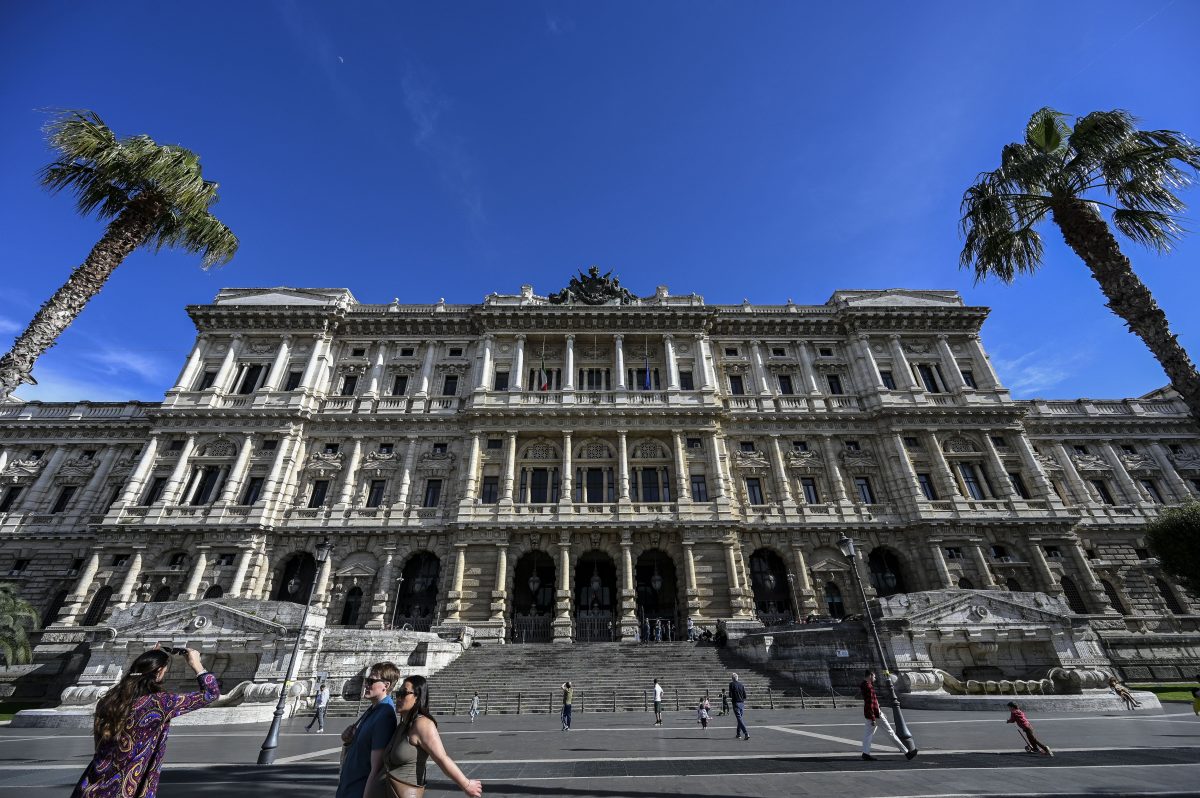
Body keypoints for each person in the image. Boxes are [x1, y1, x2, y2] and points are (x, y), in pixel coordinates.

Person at [72, 646, 219, 798]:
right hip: (125, 790)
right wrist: (196, 664)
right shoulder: (160, 703)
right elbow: (211, 693)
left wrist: (148, 658)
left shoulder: (107, 701)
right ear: (159, 671)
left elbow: (99, 746)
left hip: (90, 786)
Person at [371, 675, 483, 798]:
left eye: (404, 693)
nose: (398, 697)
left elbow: (442, 758)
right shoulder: (403, 724)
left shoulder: (422, 724)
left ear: (417, 697)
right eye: (398, 692)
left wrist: (466, 785)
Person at [337, 662, 401, 798]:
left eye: (371, 681)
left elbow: (376, 767)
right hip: (349, 787)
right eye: (367, 680)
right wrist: (348, 741)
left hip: (359, 790)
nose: (366, 684)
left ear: (386, 686)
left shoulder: (385, 715)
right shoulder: (374, 709)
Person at [860, 670, 915, 761]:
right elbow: (870, 703)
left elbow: (872, 702)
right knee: (890, 733)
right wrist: (874, 717)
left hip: (871, 713)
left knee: (868, 735)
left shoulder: (864, 685)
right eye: (874, 676)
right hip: (875, 715)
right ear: (870, 676)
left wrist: (879, 710)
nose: (875, 678)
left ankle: (865, 753)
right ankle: (907, 752)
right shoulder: (868, 687)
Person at [729, 673, 749, 741]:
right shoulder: (741, 685)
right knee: (739, 719)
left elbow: (730, 695)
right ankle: (738, 733)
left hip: (736, 703)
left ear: (732, 678)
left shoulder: (731, 684)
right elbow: (745, 696)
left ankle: (746, 733)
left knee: (739, 719)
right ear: (737, 678)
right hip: (742, 703)